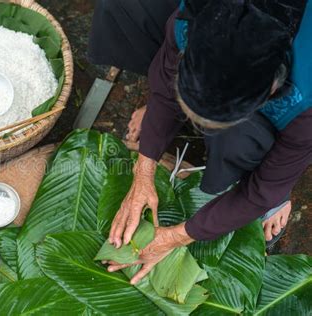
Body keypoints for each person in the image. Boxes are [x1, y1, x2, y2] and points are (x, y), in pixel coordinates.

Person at [88, 0, 311, 284]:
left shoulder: (303, 102)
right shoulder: (194, 17)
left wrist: (174, 237)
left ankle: (279, 197)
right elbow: (169, 70)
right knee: (124, 8)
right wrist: (142, 171)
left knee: (242, 143)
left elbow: (257, 192)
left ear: (272, 90)